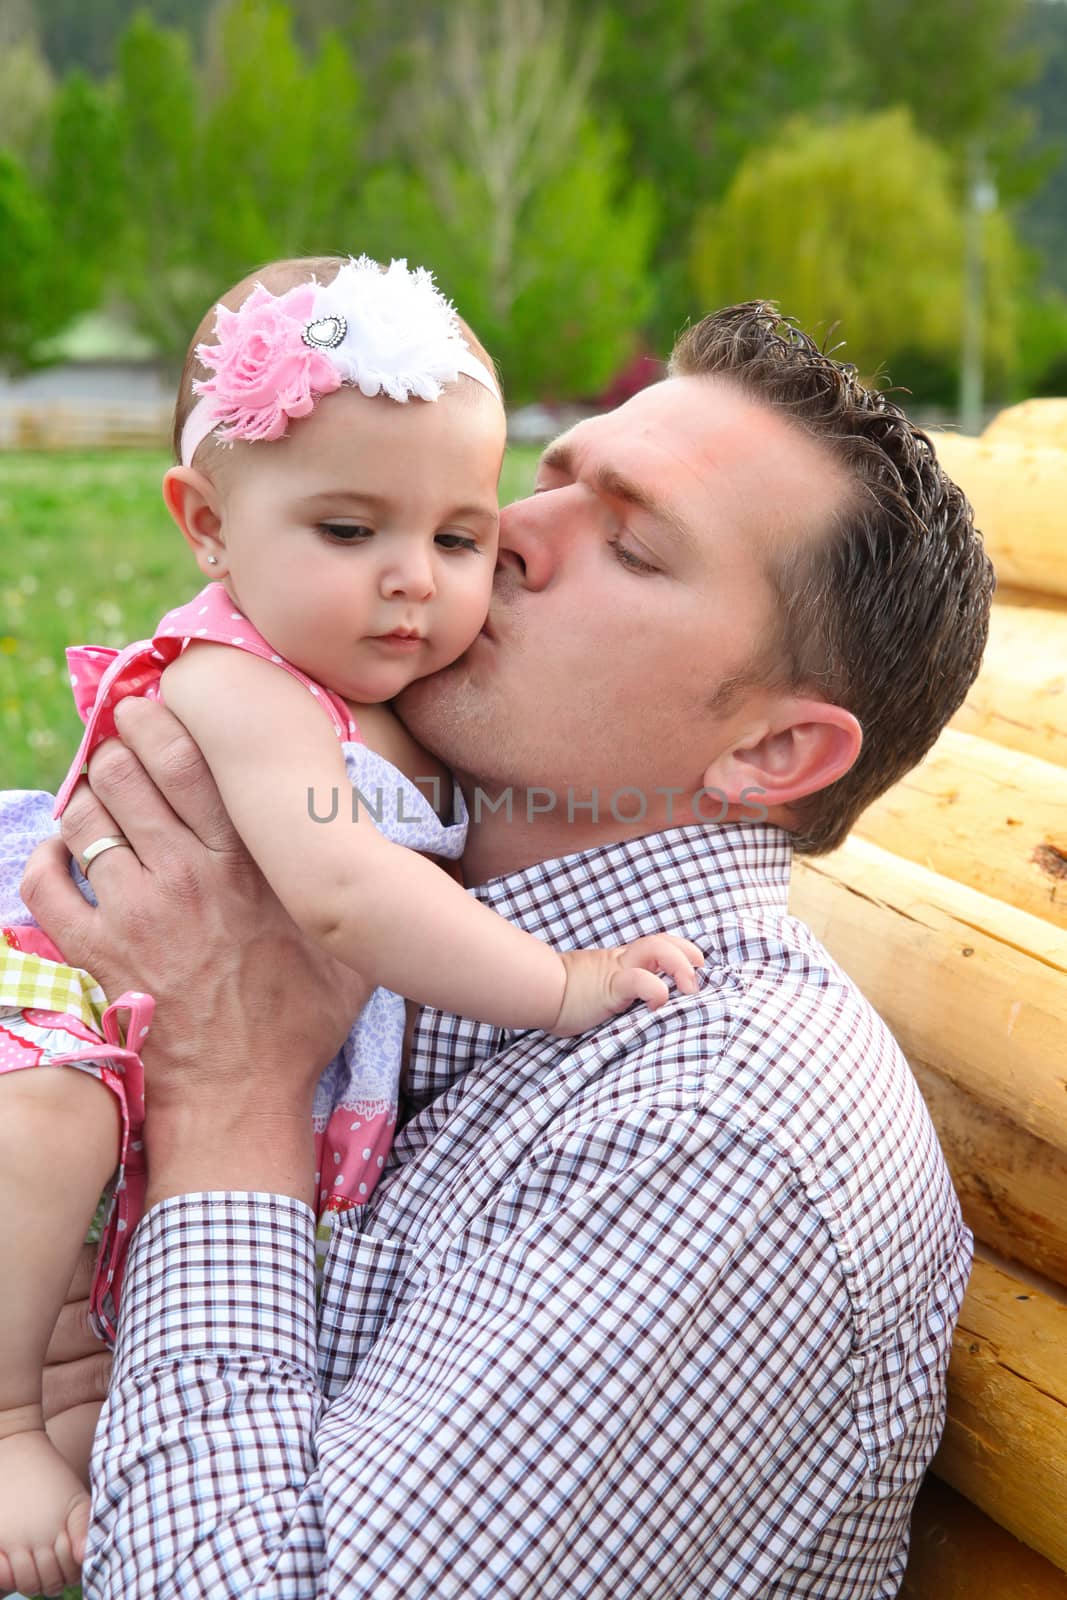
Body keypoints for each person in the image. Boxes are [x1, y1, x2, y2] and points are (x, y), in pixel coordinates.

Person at [23, 303, 993, 1600]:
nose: (499, 542)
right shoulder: (382, 912)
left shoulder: (719, 1134)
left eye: (631, 545)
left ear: (771, 753)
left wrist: (232, 1091)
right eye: (544, 485)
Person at [0, 254, 702, 1600]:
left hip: (197, 1075)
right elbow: (340, 891)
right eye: (347, 532)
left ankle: (74, 1455)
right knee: (46, 1128)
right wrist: (558, 985)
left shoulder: (410, 706)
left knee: (108, 1378)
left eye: (457, 539)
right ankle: (4, 1424)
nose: (412, 585)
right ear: (206, 525)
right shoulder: (241, 682)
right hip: (81, 1029)